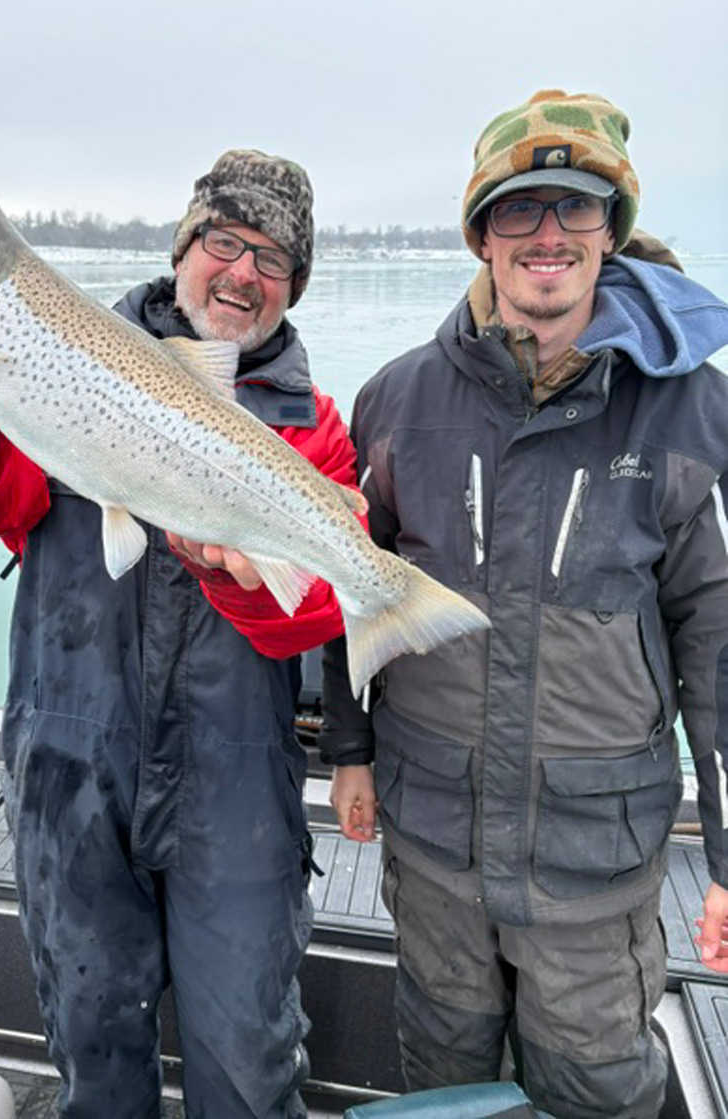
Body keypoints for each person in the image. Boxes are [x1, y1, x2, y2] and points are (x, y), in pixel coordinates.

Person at [0, 150, 362, 1119]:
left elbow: (311, 617)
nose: (243, 273)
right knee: (94, 1057)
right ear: (182, 249)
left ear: (294, 288)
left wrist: (239, 571)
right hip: (70, 778)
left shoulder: (313, 429)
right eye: (224, 241)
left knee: (252, 1066)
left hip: (237, 801)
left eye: (273, 260)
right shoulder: (58, 365)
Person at [320, 89, 728, 1118]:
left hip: (592, 861)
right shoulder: (395, 400)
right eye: (519, 209)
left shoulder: (694, 410)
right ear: (482, 232)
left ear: (612, 229)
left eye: (577, 207)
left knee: (596, 1087)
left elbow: (717, 648)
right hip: (432, 839)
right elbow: (353, 587)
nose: (548, 234)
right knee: (444, 1074)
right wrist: (351, 753)